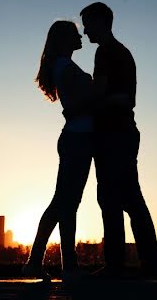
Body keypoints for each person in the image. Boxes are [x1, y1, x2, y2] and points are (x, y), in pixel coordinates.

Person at [80, 1, 157, 277]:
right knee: (131, 199)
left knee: (112, 199)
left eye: (88, 23)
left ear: (101, 22)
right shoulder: (123, 52)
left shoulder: (105, 52)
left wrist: (85, 99)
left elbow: (104, 94)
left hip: (113, 134)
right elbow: (124, 97)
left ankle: (115, 265)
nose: (84, 30)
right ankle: (151, 263)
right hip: (125, 131)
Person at [22, 20, 95, 281]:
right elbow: (82, 101)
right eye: (76, 34)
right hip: (77, 138)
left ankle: (38, 262)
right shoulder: (64, 66)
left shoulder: (64, 65)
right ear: (64, 39)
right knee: (66, 204)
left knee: (62, 203)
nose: (81, 38)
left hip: (77, 137)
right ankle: (68, 267)